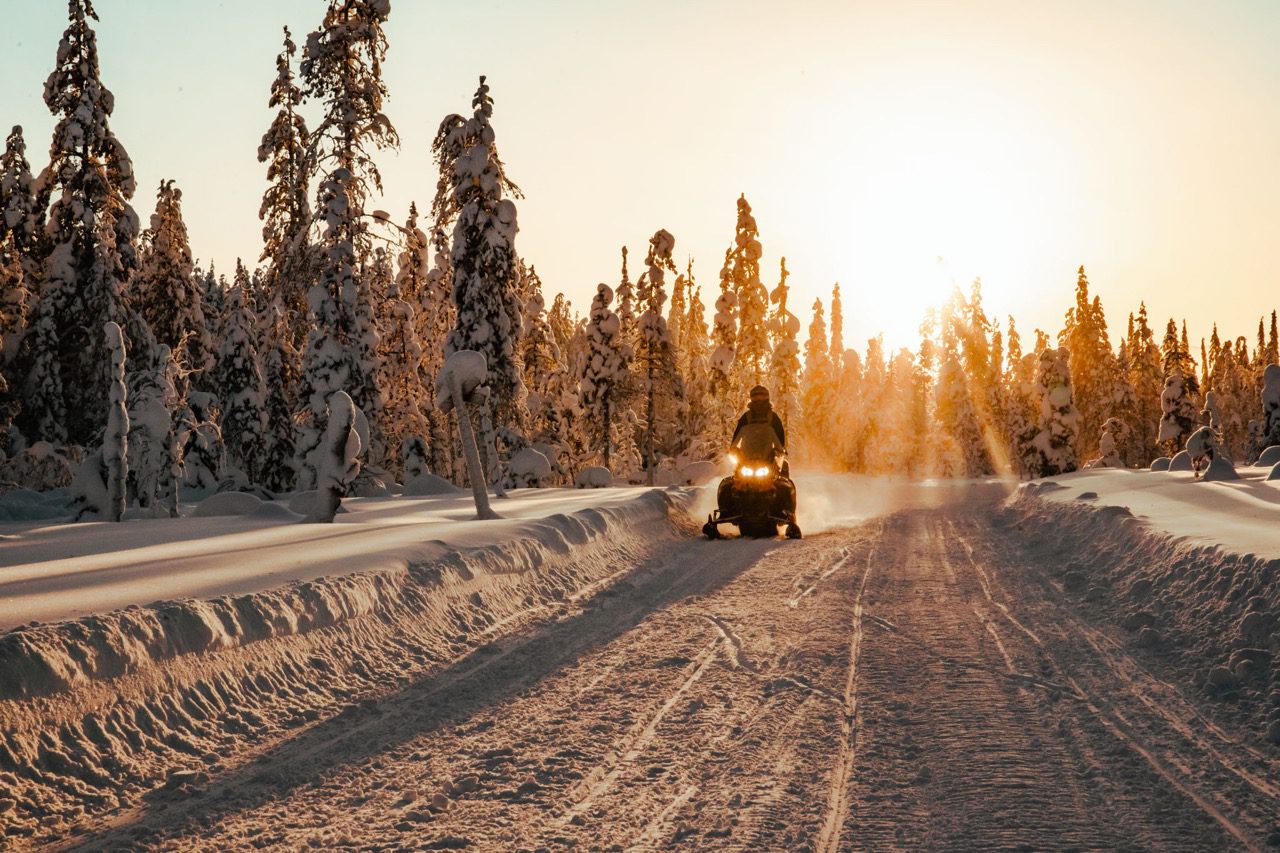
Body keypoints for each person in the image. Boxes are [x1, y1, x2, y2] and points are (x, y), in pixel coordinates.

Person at [722, 385, 799, 537]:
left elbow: (780, 438)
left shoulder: (773, 418)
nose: (758, 400)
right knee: (729, 485)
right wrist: (733, 449)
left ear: (767, 398)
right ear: (751, 398)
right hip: (747, 460)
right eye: (755, 397)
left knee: (782, 485)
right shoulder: (746, 418)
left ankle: (787, 514)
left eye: (761, 397)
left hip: (767, 460)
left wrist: (780, 450)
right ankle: (726, 511)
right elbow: (737, 435)